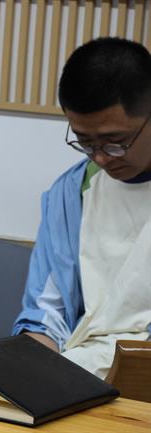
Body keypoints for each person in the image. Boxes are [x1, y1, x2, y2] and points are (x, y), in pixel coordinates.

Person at [13, 37, 151, 379]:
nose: (100, 158)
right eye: (86, 142)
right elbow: (45, 315)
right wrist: (29, 371)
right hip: (77, 375)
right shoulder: (71, 193)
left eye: (116, 143)